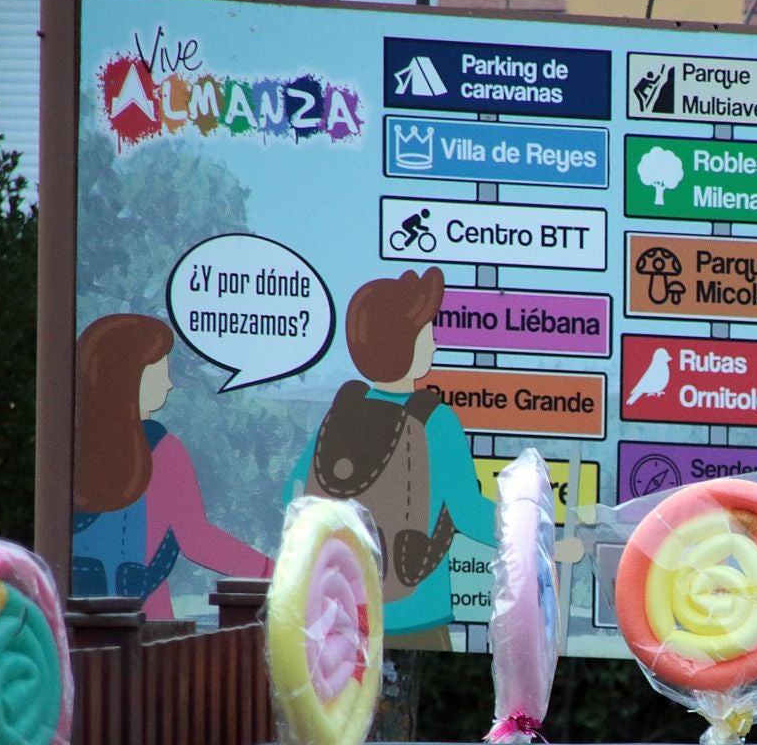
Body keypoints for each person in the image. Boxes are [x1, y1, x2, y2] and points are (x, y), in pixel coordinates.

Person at [288, 267, 495, 645]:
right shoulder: (434, 419)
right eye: (427, 334)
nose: (433, 344)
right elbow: (468, 512)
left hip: (342, 612)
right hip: (417, 616)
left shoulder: (344, 408)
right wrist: (536, 540)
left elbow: (297, 494)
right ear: (403, 343)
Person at [73, 313, 273, 619]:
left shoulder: (69, 446)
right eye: (159, 372)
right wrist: (273, 572)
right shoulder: (161, 449)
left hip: (75, 629)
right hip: (148, 628)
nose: (168, 385)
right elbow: (197, 539)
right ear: (128, 376)